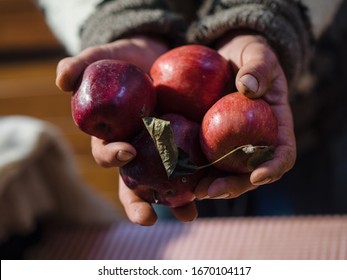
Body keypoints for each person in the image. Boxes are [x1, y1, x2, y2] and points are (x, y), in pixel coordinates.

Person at [37, 0, 313, 225]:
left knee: (302, 240)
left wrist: (273, 17)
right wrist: (120, 19)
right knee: (185, 249)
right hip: (171, 173)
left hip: (313, 114)